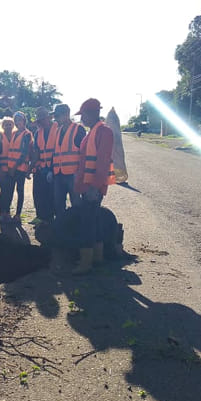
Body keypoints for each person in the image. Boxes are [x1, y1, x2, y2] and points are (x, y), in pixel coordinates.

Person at [72, 98, 115, 274]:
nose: (82, 119)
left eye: (84, 115)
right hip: (87, 186)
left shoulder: (103, 132)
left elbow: (102, 162)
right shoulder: (92, 132)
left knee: (87, 224)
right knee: (94, 221)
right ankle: (97, 258)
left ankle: (85, 263)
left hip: (93, 188)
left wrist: (94, 188)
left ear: (92, 114)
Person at [52, 104, 86, 219]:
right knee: (58, 203)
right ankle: (62, 228)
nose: (55, 119)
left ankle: (77, 228)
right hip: (58, 173)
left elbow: (83, 153)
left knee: (76, 203)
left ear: (66, 115)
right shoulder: (58, 131)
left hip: (73, 174)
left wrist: (80, 173)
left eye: (57, 116)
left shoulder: (78, 129)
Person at [30, 107, 57, 224]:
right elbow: (36, 151)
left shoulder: (58, 129)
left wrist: (52, 169)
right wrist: (31, 168)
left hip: (55, 168)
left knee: (53, 195)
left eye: (43, 120)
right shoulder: (38, 132)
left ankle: (52, 218)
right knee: (39, 193)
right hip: (41, 168)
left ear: (49, 118)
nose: (41, 123)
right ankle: (41, 216)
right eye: (39, 121)